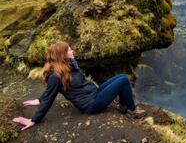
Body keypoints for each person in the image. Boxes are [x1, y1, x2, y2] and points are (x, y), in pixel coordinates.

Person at [12, 41, 147, 130]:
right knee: (123, 80)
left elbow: (49, 92)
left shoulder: (68, 65)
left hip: (94, 93)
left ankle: (123, 107)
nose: (72, 51)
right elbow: (50, 95)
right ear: (63, 54)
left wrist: (38, 99)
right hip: (90, 104)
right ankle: (132, 111)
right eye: (69, 50)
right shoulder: (55, 76)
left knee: (120, 78)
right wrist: (34, 119)